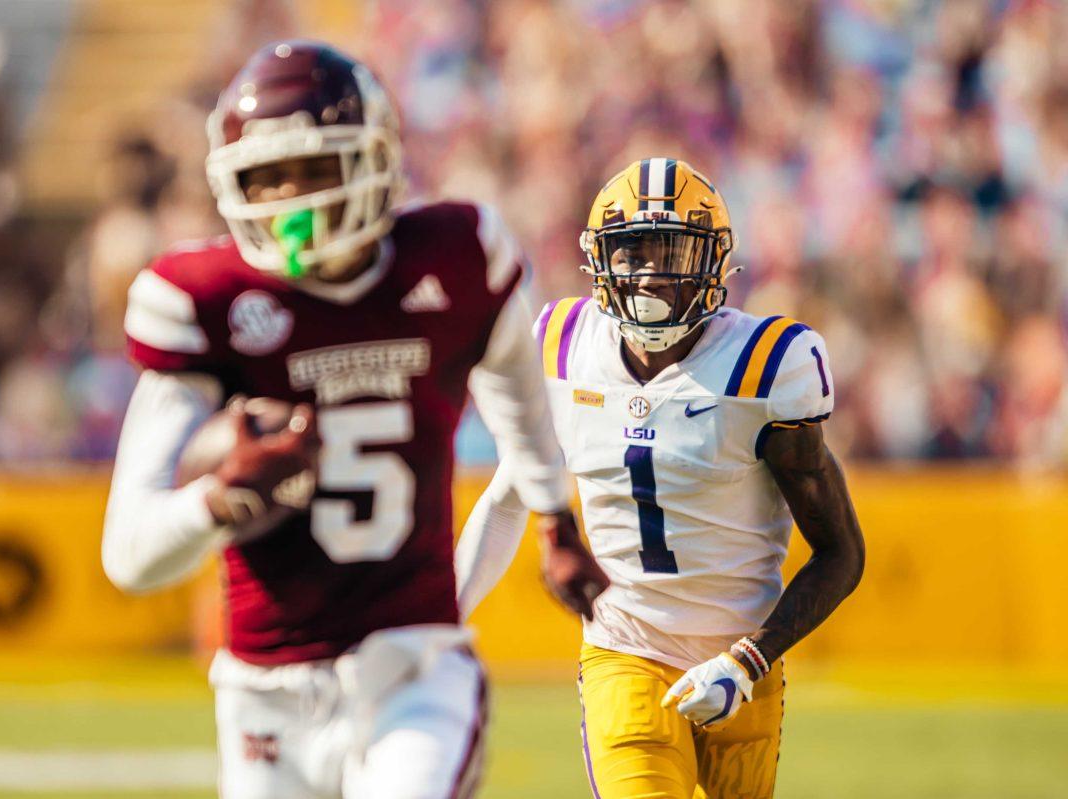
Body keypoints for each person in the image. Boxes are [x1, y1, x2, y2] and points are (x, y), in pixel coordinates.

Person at [101, 40, 607, 799]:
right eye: (266, 179)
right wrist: (219, 498)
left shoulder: (454, 255)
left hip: (412, 667)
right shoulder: (204, 299)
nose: (291, 203)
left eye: (313, 170)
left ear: (374, 162)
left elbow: (513, 382)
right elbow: (130, 556)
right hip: (263, 695)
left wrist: (552, 513)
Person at [456, 158, 865, 799]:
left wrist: (747, 660)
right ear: (600, 262)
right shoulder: (564, 346)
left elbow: (842, 553)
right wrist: (443, 619)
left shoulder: (767, 367)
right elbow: (509, 498)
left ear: (713, 263)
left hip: (745, 663)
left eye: (673, 251)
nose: (651, 273)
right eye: (633, 252)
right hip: (624, 647)